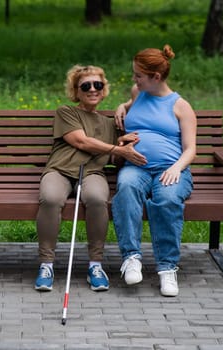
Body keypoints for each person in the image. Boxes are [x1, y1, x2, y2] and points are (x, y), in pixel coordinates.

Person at [34, 64, 147, 292]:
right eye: (86, 85)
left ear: (104, 89)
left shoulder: (111, 123)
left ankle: (95, 265)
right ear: (76, 91)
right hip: (60, 170)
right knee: (51, 198)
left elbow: (118, 160)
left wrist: (126, 145)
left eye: (98, 85)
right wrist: (117, 149)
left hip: (92, 173)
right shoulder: (66, 111)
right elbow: (81, 141)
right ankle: (46, 265)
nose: (93, 89)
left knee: (97, 199)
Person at [113, 44, 197, 297]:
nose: (134, 79)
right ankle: (131, 258)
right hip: (136, 168)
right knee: (126, 188)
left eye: (139, 75)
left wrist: (176, 168)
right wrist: (123, 106)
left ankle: (167, 268)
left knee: (167, 198)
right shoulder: (137, 93)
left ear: (156, 77)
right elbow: (132, 104)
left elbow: (190, 149)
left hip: (170, 169)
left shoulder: (180, 106)